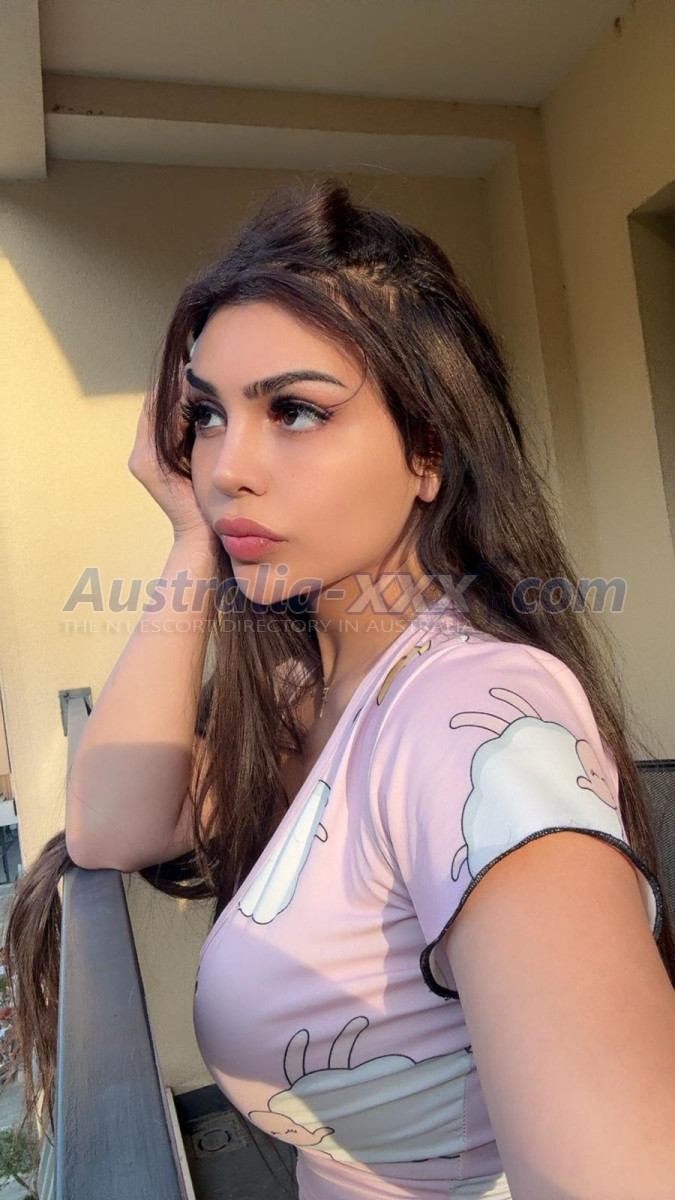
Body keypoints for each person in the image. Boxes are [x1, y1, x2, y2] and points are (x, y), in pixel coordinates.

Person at [5, 176, 675, 1198]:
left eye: (295, 410)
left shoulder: (474, 726)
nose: (227, 467)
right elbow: (110, 825)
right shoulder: (302, 692)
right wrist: (189, 537)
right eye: (208, 415)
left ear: (427, 449)